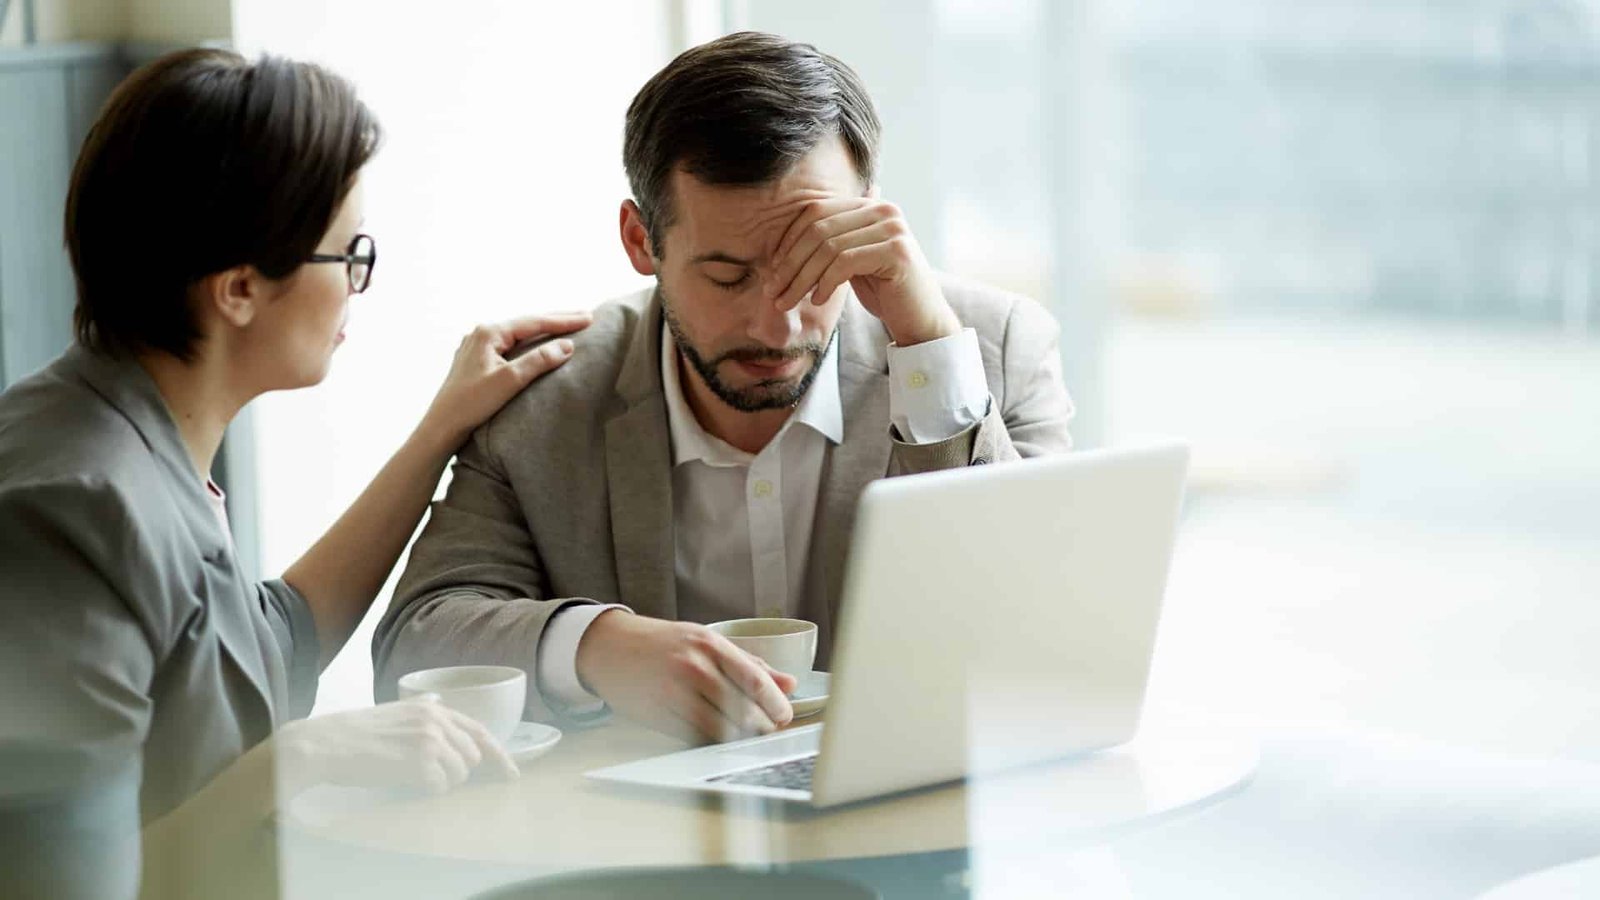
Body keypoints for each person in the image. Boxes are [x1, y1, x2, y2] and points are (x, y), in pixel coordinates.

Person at [373, 31, 1074, 746]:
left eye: (813, 265)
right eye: (727, 277)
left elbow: (1047, 639)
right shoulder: (545, 394)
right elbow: (416, 644)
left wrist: (927, 354)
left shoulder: (989, 351)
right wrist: (598, 645)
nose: (776, 324)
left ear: (868, 216)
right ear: (641, 240)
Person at [0, 49, 589, 897]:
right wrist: (295, 761)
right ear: (239, 288)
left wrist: (439, 433)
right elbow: (65, 882)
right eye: (348, 254)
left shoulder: (131, 435)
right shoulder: (68, 510)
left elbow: (266, 648)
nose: (358, 284)